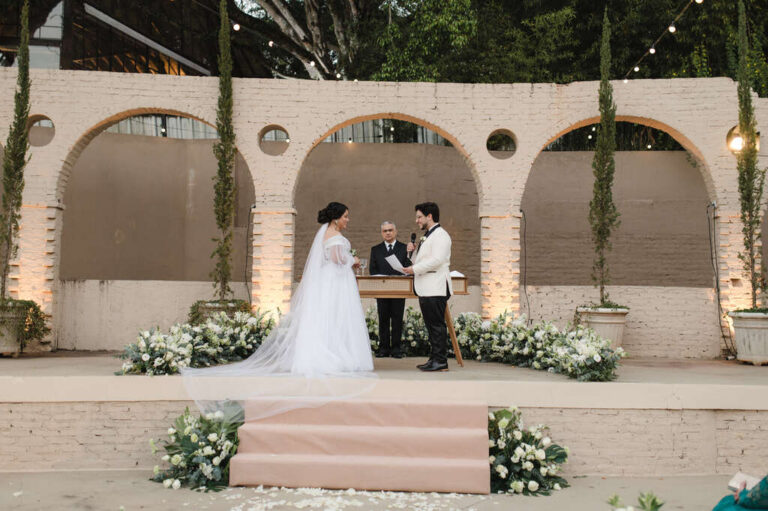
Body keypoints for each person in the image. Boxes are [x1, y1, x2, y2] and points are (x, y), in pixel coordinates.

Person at [182, 201, 375, 420]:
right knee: (337, 317)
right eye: (346, 216)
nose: (348, 220)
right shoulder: (335, 236)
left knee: (328, 319)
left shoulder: (324, 234)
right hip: (336, 283)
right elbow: (337, 258)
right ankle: (338, 354)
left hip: (330, 283)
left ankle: (332, 350)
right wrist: (354, 260)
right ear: (336, 218)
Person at [403, 202, 453, 372]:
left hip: (436, 286)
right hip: (426, 287)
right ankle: (434, 358)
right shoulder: (428, 236)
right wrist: (413, 253)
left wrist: (414, 269)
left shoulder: (441, 235)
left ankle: (441, 361)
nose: (417, 221)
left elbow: (437, 260)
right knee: (431, 325)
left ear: (429, 216)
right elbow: (421, 261)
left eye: (419, 217)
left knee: (437, 325)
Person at [369, 221, 410, 358]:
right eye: (385, 231)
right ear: (382, 233)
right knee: (383, 319)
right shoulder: (375, 249)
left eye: (390, 230)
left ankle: (396, 349)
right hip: (382, 289)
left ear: (395, 231)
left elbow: (409, 268)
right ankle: (384, 348)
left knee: (397, 319)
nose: (388, 233)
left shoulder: (405, 248)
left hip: (399, 289)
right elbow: (372, 270)